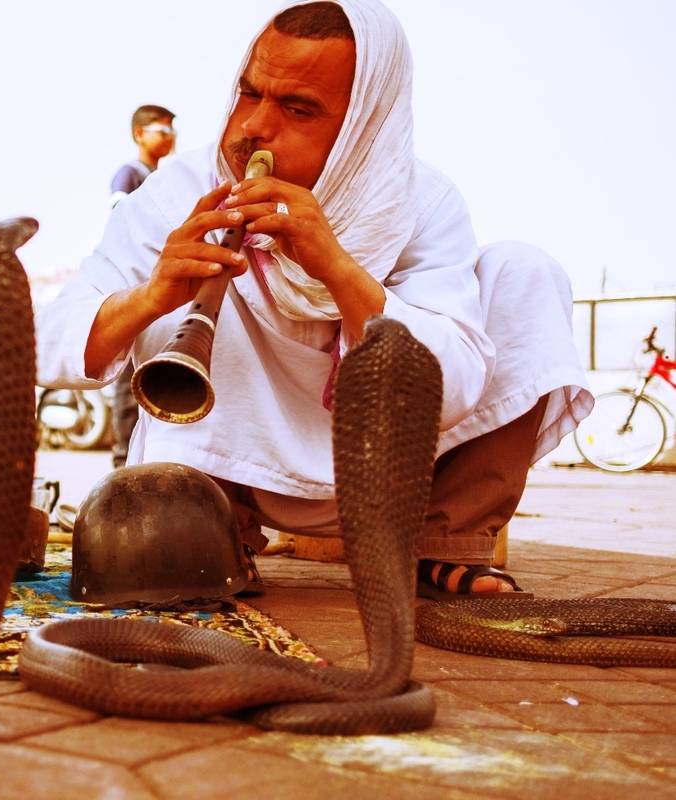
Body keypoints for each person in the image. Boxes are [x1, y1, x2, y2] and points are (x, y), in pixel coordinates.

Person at [36, 0, 591, 597]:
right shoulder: (183, 189)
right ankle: (219, 533)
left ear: (365, 122)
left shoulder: (423, 202)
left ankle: (444, 544)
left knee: (526, 271)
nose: (254, 128)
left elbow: (451, 388)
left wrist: (335, 268)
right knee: (188, 299)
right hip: (232, 474)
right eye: (250, 94)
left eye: (297, 108)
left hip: (397, 473)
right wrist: (153, 296)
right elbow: (50, 345)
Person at [107, 104, 178, 469]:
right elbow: (123, 225)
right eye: (160, 130)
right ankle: (123, 467)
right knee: (130, 381)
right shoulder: (130, 175)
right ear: (139, 134)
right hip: (138, 289)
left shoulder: (169, 179)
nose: (169, 137)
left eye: (171, 131)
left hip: (165, 294)